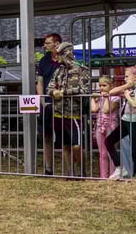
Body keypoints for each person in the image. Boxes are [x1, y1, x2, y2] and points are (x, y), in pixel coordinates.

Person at [47, 42, 90, 178]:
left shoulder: (82, 70)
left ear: (66, 54)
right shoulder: (58, 71)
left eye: (58, 53)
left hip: (74, 113)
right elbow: (49, 88)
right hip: (59, 112)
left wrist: (64, 92)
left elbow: (84, 90)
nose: (56, 56)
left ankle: (82, 170)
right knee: (65, 145)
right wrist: (53, 93)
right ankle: (70, 172)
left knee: (76, 145)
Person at [106, 66, 136, 180]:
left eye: (127, 76)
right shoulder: (129, 88)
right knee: (108, 141)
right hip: (125, 120)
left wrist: (127, 95)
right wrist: (126, 86)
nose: (125, 79)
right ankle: (119, 167)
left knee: (135, 149)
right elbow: (110, 92)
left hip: (135, 121)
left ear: (135, 77)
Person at [36, 32, 62, 176]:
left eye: (47, 43)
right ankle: (48, 167)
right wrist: (42, 100)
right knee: (46, 135)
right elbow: (39, 82)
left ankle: (69, 168)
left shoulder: (66, 58)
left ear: (56, 43)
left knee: (64, 136)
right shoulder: (44, 60)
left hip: (62, 103)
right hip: (46, 102)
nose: (45, 46)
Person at [91, 75, 120, 179]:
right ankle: (103, 176)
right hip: (100, 126)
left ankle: (113, 175)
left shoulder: (116, 98)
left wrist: (107, 97)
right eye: (100, 85)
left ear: (111, 85)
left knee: (111, 152)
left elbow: (107, 110)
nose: (101, 88)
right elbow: (94, 109)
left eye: (104, 85)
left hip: (111, 126)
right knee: (102, 153)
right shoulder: (100, 97)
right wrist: (93, 99)